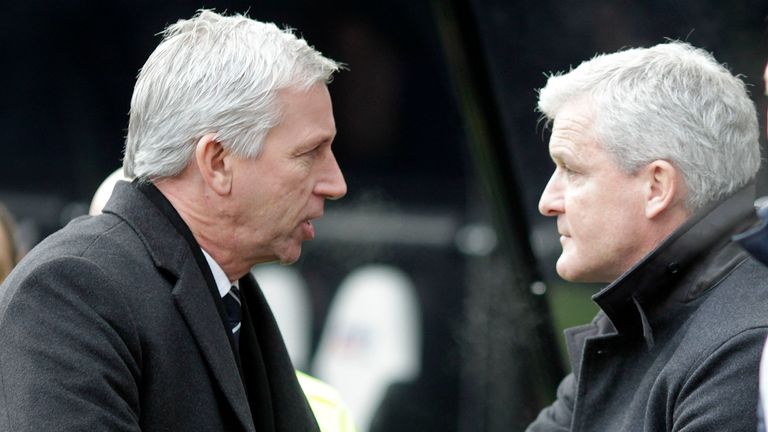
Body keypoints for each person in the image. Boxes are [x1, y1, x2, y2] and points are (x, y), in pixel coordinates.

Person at [0, 10, 346, 432]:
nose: (335, 183)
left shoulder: (227, 289)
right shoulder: (71, 290)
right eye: (310, 153)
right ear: (217, 162)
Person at [528, 41, 768, 431]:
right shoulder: (639, 313)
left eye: (571, 169)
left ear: (657, 186)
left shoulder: (742, 347)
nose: (547, 202)